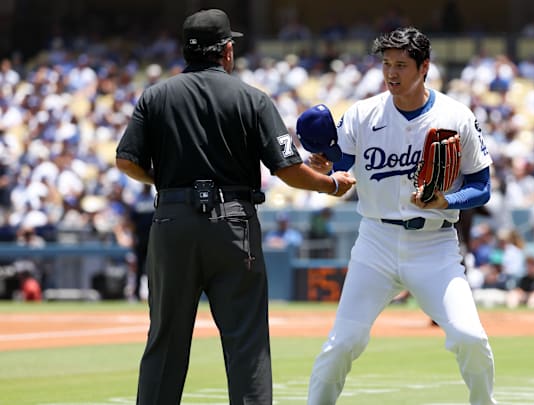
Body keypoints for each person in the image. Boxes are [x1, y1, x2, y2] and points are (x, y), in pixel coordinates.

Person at [114, 9, 355, 405]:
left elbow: (126, 160)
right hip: (233, 226)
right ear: (226, 51)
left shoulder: (155, 96)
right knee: (246, 342)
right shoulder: (251, 98)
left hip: (172, 222)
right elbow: (288, 170)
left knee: (165, 339)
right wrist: (331, 185)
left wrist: (168, 183)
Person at [304, 26, 497, 404]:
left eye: (401, 65)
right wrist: (325, 163)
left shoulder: (456, 115)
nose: (391, 73)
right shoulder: (363, 114)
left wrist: (446, 201)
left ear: (424, 67)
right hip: (375, 242)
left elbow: (482, 186)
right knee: (343, 342)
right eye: (387, 64)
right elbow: (339, 165)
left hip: (434, 245)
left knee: (469, 338)